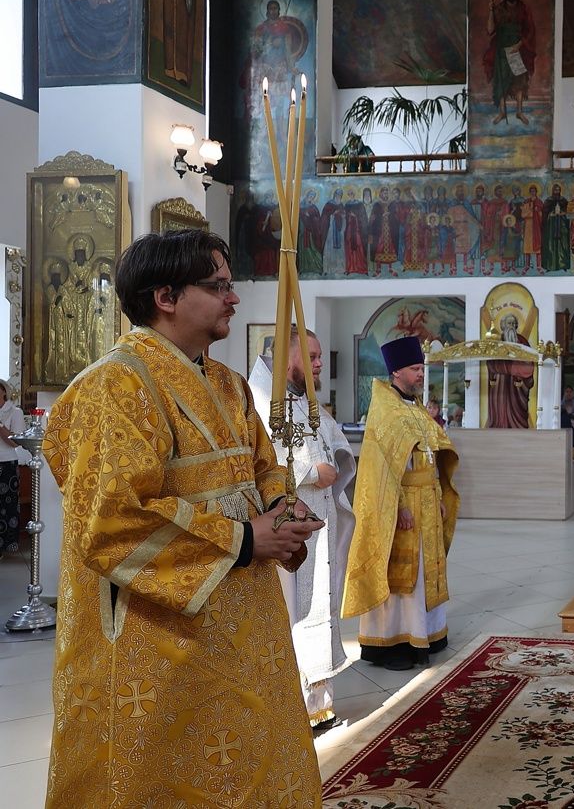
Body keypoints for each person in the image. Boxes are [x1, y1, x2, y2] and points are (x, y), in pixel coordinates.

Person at [42, 230, 323, 804]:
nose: (233, 298)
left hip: (244, 615)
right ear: (166, 297)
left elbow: (263, 469)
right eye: (218, 286)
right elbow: (112, 519)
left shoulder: (229, 385)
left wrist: (282, 508)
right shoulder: (114, 386)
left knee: (249, 756)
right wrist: (245, 539)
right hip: (162, 626)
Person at [248, 327, 356, 729]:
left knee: (319, 605)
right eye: (311, 357)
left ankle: (318, 705)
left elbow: (331, 439)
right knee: (292, 612)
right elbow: (257, 463)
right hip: (286, 525)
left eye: (319, 356)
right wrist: (312, 472)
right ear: (285, 357)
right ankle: (292, 708)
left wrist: (336, 460)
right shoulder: (261, 400)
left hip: (319, 519)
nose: (319, 364)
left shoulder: (304, 400)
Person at [344, 336, 460, 671]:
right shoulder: (386, 409)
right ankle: (394, 641)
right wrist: (398, 507)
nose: (421, 374)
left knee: (426, 571)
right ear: (396, 371)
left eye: (421, 367)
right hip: (401, 504)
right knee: (402, 573)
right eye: (415, 368)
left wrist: (437, 494)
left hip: (427, 501)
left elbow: (429, 456)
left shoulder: (416, 407)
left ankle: (428, 633)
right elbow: (382, 468)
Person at [484, 0, 535, 124]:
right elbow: (490, 30)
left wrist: (519, 45)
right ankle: (502, 112)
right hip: (501, 49)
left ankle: (519, 112)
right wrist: (490, 11)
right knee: (501, 79)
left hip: (516, 49)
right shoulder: (498, 9)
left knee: (519, 80)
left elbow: (530, 30)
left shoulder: (523, 8)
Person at [0, 381, 24, 553]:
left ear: (3, 392)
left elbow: (15, 442)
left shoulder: (15, 412)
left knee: (7, 506)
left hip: (7, 463)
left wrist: (0, 425)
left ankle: (7, 545)